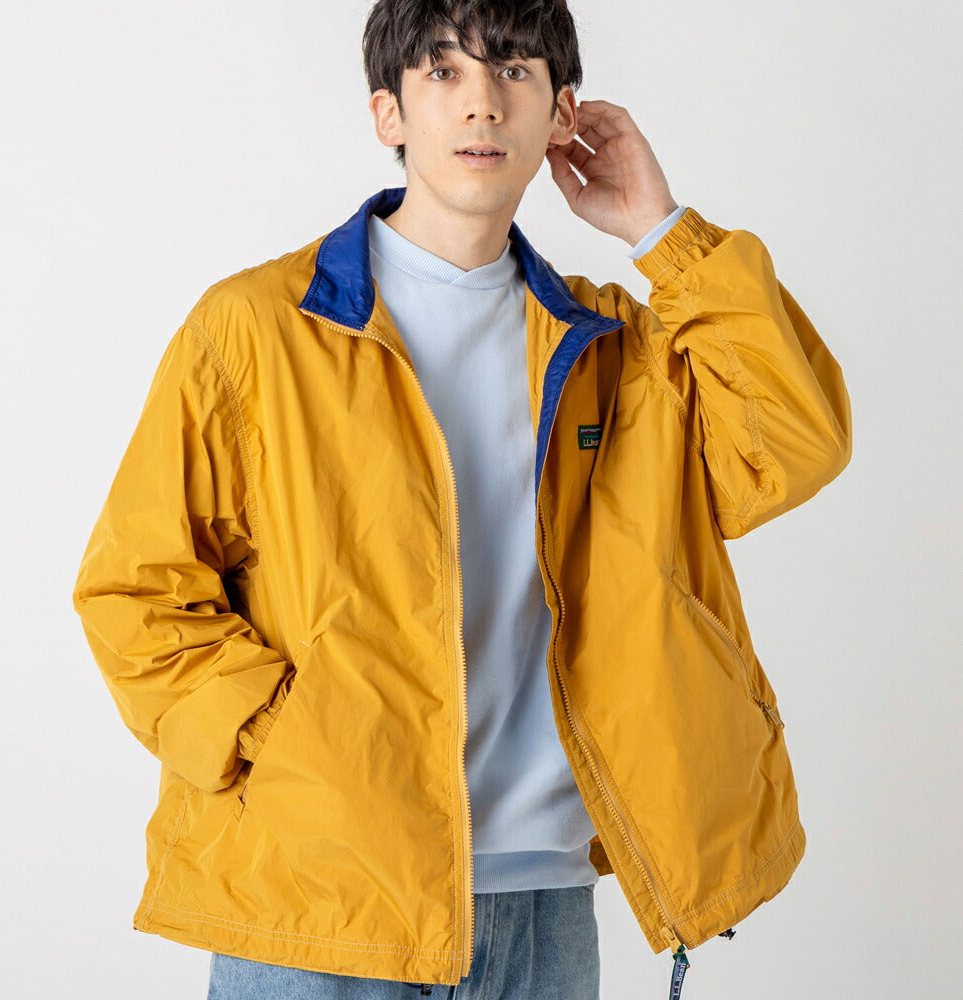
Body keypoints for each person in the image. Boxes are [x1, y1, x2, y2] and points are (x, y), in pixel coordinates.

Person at [71, 2, 853, 998]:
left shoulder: (615, 349)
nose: (482, 102)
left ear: (561, 113)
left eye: (515, 71)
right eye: (444, 72)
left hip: (543, 905)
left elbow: (792, 442)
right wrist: (292, 745)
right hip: (320, 907)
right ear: (388, 113)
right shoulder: (256, 331)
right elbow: (135, 591)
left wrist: (661, 231)